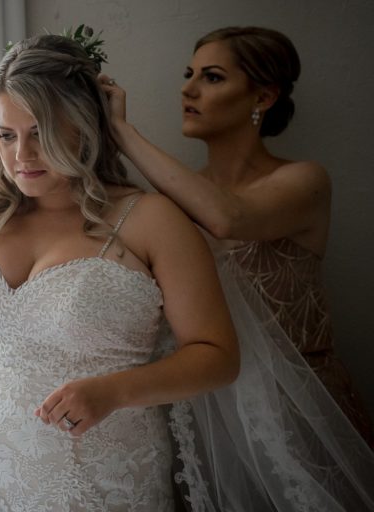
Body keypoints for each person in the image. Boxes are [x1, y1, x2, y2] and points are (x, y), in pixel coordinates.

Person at [0, 34, 241, 510]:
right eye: (7, 135)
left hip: (102, 478)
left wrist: (115, 391)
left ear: (84, 126)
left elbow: (218, 356)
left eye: (41, 131)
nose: (22, 155)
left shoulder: (150, 220)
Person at [97, 26, 374, 510]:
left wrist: (123, 132)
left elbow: (228, 219)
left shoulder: (304, 181)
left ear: (263, 97)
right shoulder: (171, 205)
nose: (187, 88)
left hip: (300, 411)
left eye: (212, 77)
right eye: (189, 74)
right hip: (211, 413)